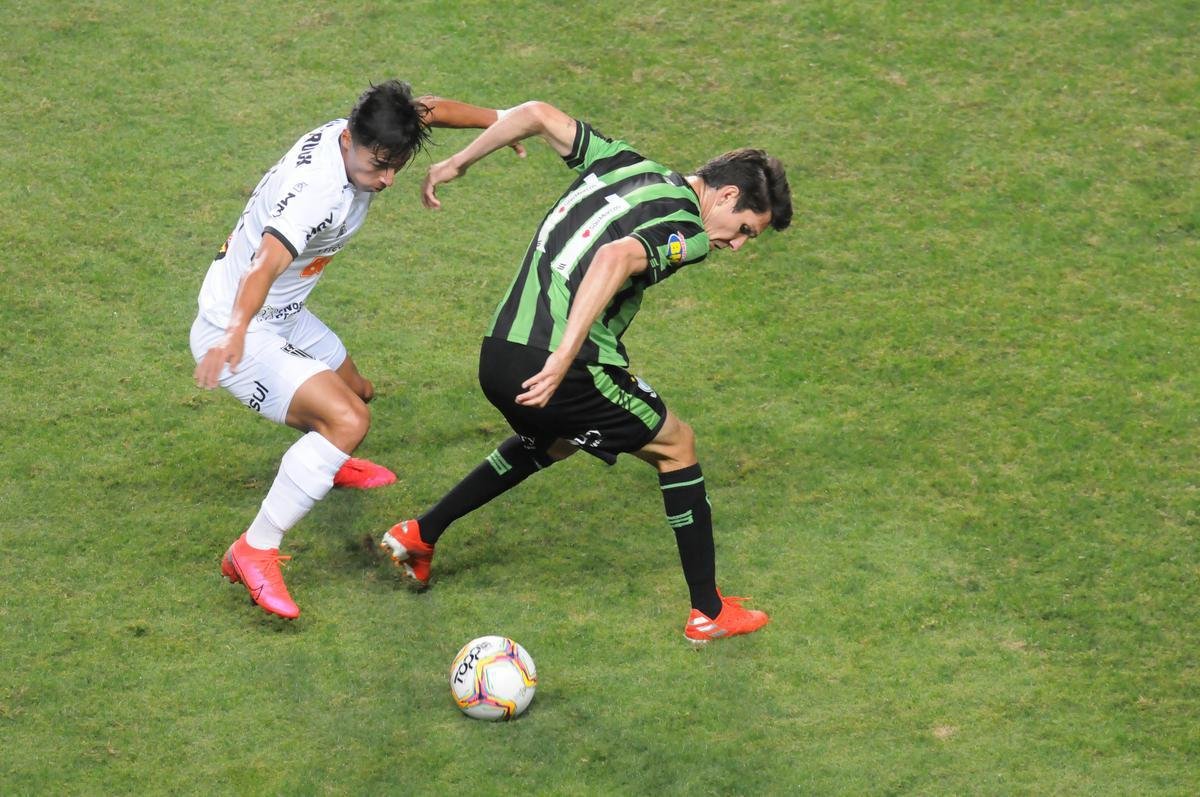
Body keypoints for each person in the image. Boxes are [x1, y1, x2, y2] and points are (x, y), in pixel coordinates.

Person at [380, 100, 792, 645]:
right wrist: (563, 357)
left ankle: (420, 534)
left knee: (556, 441)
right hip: (560, 366)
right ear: (727, 195)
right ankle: (708, 612)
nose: (735, 245)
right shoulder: (687, 230)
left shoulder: (622, 162)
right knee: (678, 445)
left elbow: (536, 114)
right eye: (744, 230)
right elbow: (614, 258)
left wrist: (460, 161)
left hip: (499, 353)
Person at [191, 80, 523, 619]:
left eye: (397, 166)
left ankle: (321, 462)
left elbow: (425, 109)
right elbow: (265, 264)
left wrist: (503, 119)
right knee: (348, 419)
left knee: (356, 391)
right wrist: (234, 333)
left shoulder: (365, 129)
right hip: (238, 328)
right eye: (379, 166)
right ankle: (254, 548)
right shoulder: (316, 192)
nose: (387, 180)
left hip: (285, 315)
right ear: (349, 140)